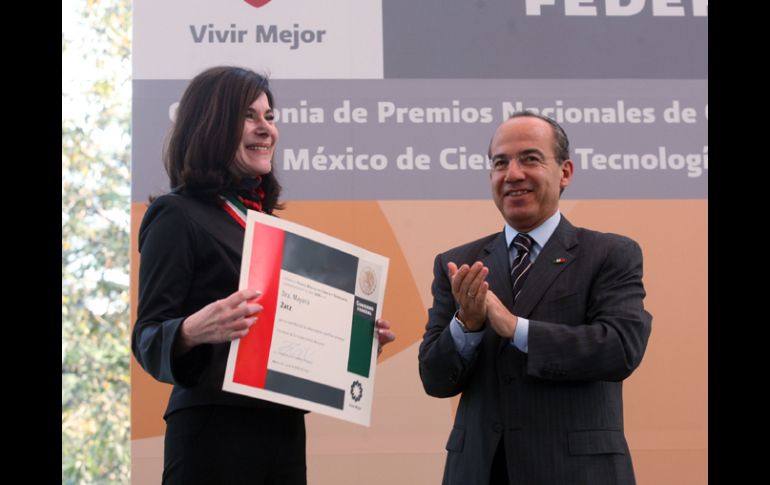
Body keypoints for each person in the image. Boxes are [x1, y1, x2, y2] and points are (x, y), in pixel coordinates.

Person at [132, 66, 396, 485]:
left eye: (269, 117)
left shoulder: (268, 227)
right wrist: (190, 330)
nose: (266, 129)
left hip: (282, 434)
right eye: (248, 116)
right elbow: (147, 337)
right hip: (213, 436)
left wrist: (352, 346)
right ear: (210, 124)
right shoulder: (175, 215)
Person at [418, 112, 652, 485]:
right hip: (482, 471)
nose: (512, 174)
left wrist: (516, 328)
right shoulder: (458, 263)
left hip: (578, 473)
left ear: (565, 172)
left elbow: (621, 348)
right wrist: (467, 326)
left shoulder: (609, 254)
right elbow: (435, 379)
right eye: (500, 163)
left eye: (529, 158)